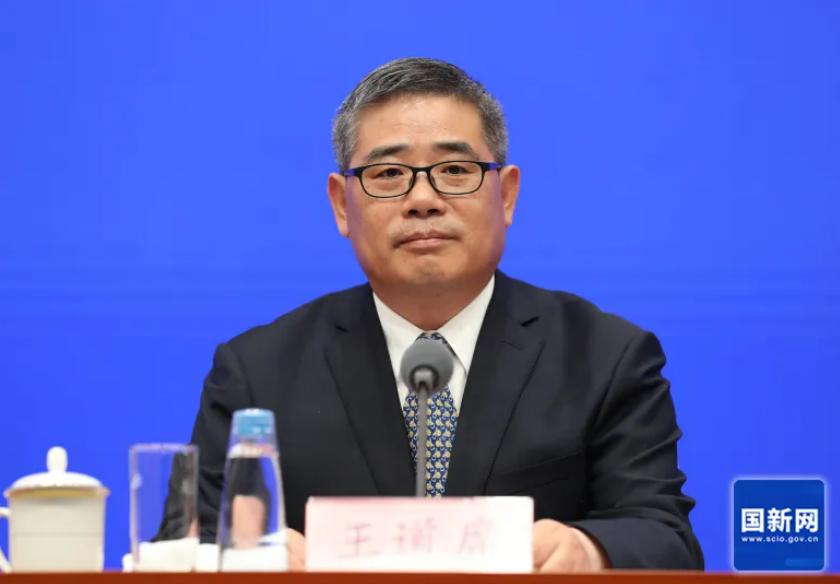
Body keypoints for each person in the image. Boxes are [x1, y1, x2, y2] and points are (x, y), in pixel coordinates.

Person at [188, 57, 704, 572]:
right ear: (341, 205)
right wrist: (244, 557)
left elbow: (664, 536)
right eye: (388, 174)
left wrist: (587, 550)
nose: (423, 199)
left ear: (506, 195)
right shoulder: (257, 374)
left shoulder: (604, 357)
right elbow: (187, 545)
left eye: (455, 171)